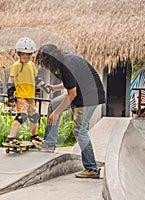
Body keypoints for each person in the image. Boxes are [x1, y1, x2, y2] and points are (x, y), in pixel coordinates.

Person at [33, 44, 106, 179]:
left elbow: (72, 93)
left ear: (50, 60)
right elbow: (71, 83)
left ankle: (92, 168)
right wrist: (55, 88)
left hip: (90, 96)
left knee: (79, 130)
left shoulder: (66, 65)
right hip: (82, 93)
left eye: (44, 62)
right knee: (53, 105)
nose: (45, 66)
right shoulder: (65, 61)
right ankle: (50, 143)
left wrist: (58, 112)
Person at [5, 37, 51, 146]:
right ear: (19, 54)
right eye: (24, 57)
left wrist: (44, 86)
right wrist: (11, 96)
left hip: (30, 96)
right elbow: (10, 81)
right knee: (22, 116)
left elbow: (36, 78)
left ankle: (33, 136)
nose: (26, 59)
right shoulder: (16, 66)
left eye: (29, 56)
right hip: (21, 96)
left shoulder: (31, 65)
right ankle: (11, 137)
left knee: (34, 116)